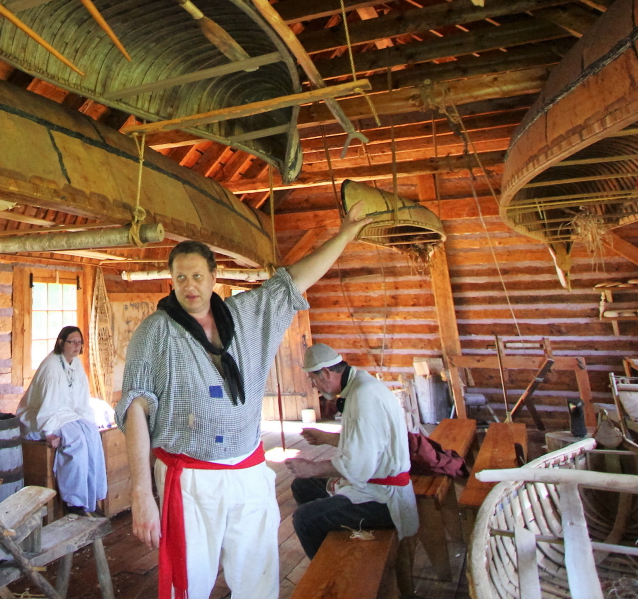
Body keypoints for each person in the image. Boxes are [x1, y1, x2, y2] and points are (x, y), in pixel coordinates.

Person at [116, 204, 370, 599]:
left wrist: (345, 235)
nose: (189, 286)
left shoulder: (245, 315)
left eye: (197, 276)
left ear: (213, 277)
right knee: (188, 585)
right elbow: (135, 407)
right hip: (190, 480)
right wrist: (141, 494)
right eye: (180, 277)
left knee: (258, 582)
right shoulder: (155, 332)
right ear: (171, 281)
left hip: (249, 473)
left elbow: (293, 281)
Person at [288, 343, 419, 558]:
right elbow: (368, 442)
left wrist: (312, 468)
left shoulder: (364, 396)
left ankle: (332, 573)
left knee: (305, 519)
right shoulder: (360, 385)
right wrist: (326, 438)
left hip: (385, 500)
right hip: (373, 485)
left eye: (313, 379)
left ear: (326, 372)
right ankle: (334, 551)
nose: (314, 386)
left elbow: (358, 466)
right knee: (303, 486)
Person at [17, 326, 106, 515]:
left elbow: (81, 399)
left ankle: (92, 498)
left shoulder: (76, 364)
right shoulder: (51, 367)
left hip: (67, 414)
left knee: (92, 435)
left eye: (79, 342)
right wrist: (48, 432)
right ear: (61, 343)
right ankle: (74, 502)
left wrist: (88, 420)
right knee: (76, 440)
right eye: (72, 342)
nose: (76, 346)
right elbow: (48, 405)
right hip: (42, 416)